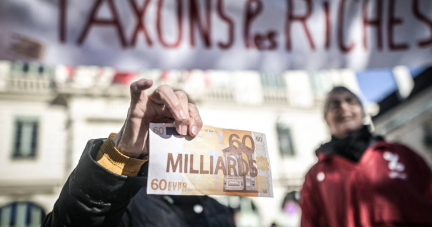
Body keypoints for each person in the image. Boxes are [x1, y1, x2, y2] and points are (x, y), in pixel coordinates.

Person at [42, 79, 235, 227]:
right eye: (170, 131)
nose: (180, 137)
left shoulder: (218, 209)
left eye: (186, 128)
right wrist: (122, 154)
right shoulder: (126, 203)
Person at [300, 86, 432, 227]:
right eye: (334, 105)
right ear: (326, 119)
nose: (344, 107)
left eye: (350, 101)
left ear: (362, 111)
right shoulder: (313, 178)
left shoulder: (403, 155)